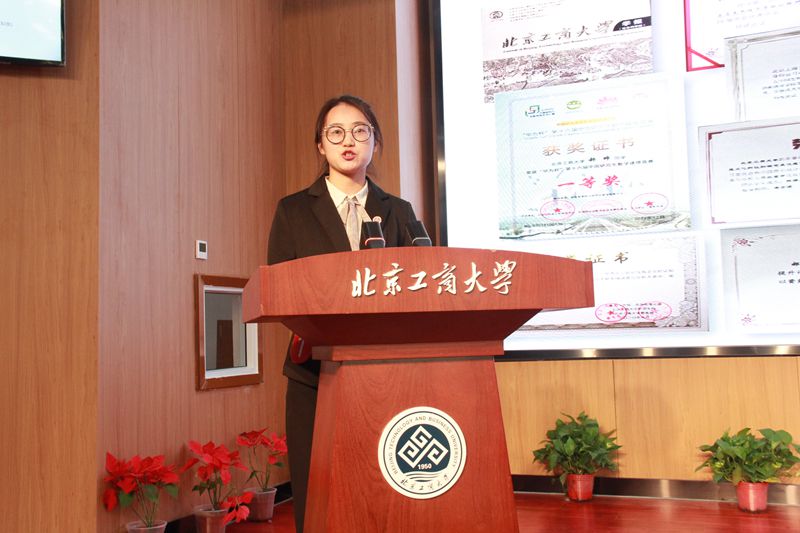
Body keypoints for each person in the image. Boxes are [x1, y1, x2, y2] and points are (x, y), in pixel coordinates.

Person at [266, 94, 418, 532]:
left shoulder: (399, 212)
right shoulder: (293, 210)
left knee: (380, 488)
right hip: (314, 372)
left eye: (359, 131)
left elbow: (415, 287)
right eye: (335, 132)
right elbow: (280, 288)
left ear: (375, 142)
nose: (348, 141)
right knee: (317, 492)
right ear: (320, 145)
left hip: (383, 375)